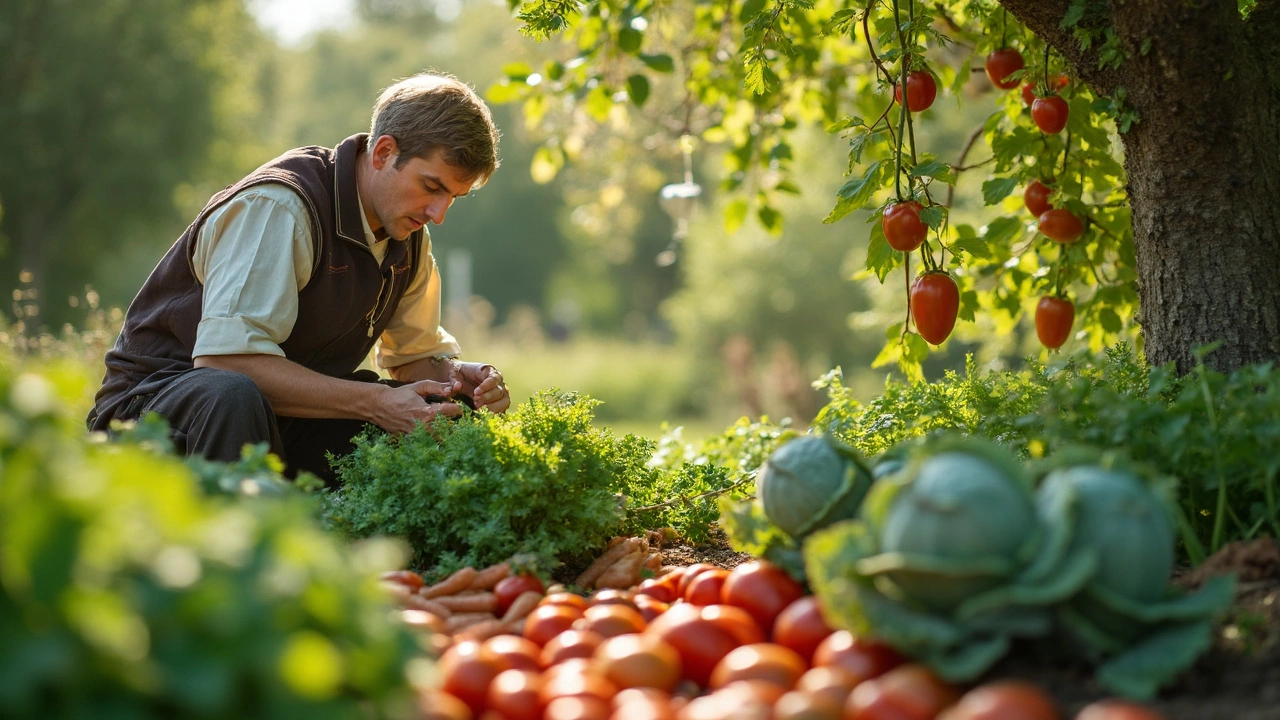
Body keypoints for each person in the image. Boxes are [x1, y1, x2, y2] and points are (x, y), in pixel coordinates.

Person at [87, 72, 511, 487]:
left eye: (452, 197)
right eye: (431, 186)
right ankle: (234, 555)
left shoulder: (410, 237)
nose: (438, 214)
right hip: (154, 417)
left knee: (443, 411)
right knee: (232, 396)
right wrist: (377, 402)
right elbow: (225, 362)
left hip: (280, 414)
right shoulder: (280, 208)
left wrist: (458, 377)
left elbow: (411, 358)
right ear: (383, 152)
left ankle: (389, 554)